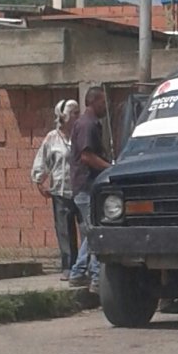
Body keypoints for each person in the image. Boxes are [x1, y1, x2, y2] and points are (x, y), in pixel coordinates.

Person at [31, 99, 81, 281]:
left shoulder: (80, 134)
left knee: (85, 229)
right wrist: (39, 181)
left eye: (78, 112)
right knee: (64, 231)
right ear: (64, 117)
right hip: (60, 191)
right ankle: (68, 266)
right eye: (74, 113)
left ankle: (84, 267)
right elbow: (42, 160)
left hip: (80, 189)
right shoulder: (52, 137)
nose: (77, 116)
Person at [68, 87, 112, 294]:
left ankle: (78, 273)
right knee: (95, 232)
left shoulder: (90, 123)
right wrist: (110, 168)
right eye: (103, 103)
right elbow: (86, 157)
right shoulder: (87, 125)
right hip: (86, 186)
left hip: (86, 186)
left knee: (91, 231)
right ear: (93, 102)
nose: (106, 107)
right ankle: (95, 278)